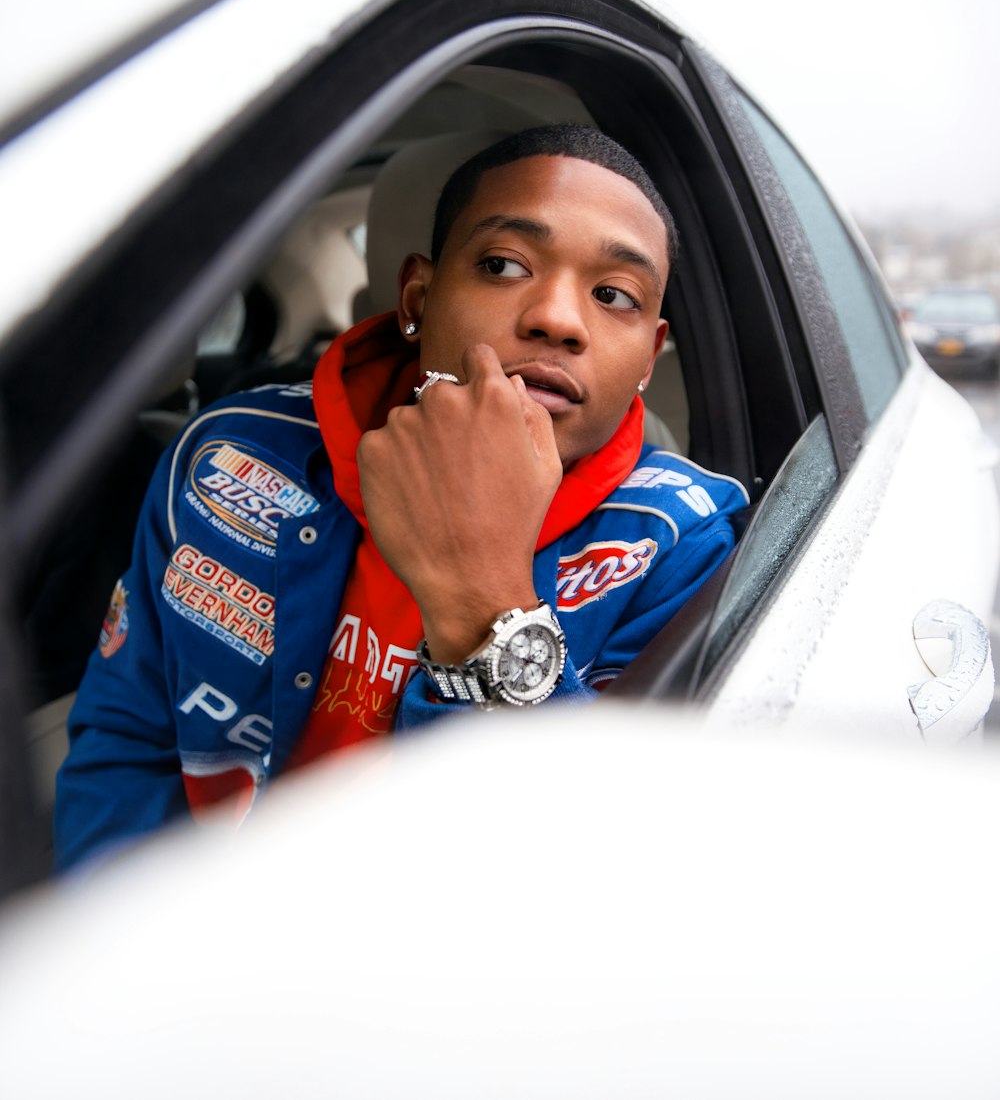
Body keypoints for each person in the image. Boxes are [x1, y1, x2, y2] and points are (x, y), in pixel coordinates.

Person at [53, 124, 749, 872]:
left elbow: (595, 875)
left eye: (614, 295)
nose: (558, 317)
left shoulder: (681, 548)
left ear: (649, 355)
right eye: (505, 264)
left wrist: (483, 601)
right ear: (418, 296)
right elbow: (127, 742)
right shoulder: (230, 457)